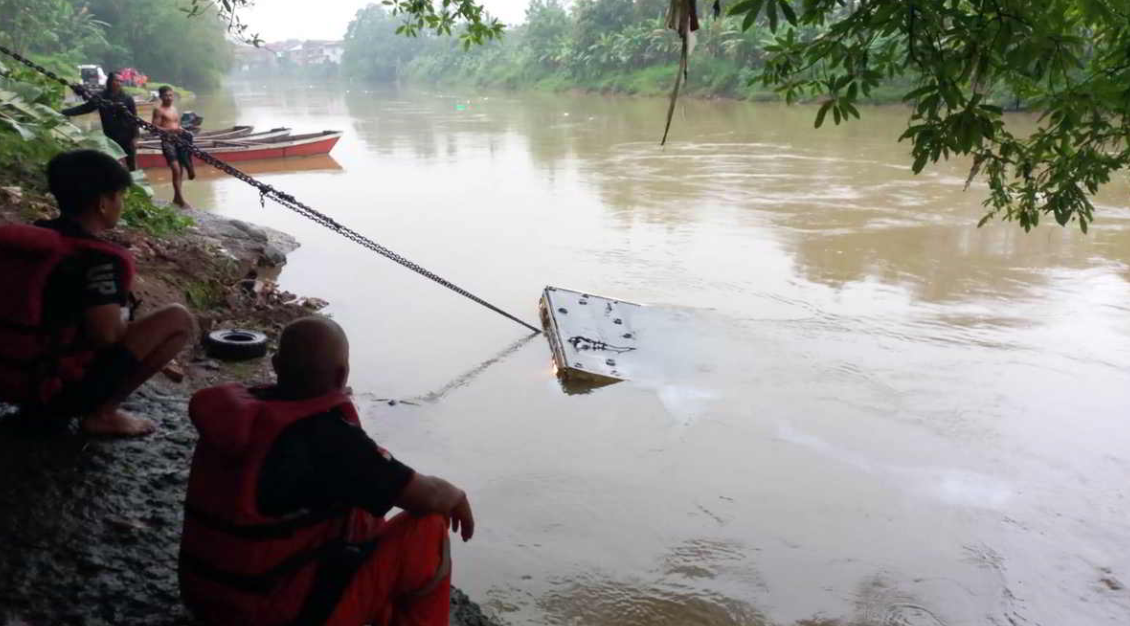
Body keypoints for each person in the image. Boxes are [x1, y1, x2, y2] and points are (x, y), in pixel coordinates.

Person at [180, 317, 474, 626]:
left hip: (207, 602)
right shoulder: (332, 440)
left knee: (366, 508)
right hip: (274, 614)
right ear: (341, 374)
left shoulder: (238, 417)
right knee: (428, 529)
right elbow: (428, 496)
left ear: (277, 365)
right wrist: (456, 495)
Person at [0, 150, 195, 436]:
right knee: (178, 319)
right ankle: (103, 414)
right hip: (52, 387)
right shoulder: (98, 259)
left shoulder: (33, 241)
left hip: (9, 377)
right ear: (103, 203)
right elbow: (107, 336)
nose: (121, 203)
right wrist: (125, 319)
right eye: (120, 196)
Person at [62, 72, 140, 171]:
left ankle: (133, 179)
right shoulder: (101, 97)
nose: (119, 83)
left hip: (127, 136)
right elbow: (85, 108)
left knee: (131, 164)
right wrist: (64, 112)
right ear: (110, 81)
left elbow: (135, 118)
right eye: (117, 81)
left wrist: (136, 137)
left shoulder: (127, 98)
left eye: (121, 81)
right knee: (111, 163)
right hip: (110, 136)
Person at [151, 85, 196, 208]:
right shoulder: (159, 110)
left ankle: (177, 197)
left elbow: (176, 124)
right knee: (176, 169)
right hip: (167, 142)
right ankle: (180, 200)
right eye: (166, 95)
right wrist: (170, 131)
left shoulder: (174, 109)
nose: (169, 98)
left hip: (179, 141)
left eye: (170, 95)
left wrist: (183, 130)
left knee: (180, 170)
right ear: (161, 97)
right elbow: (154, 129)